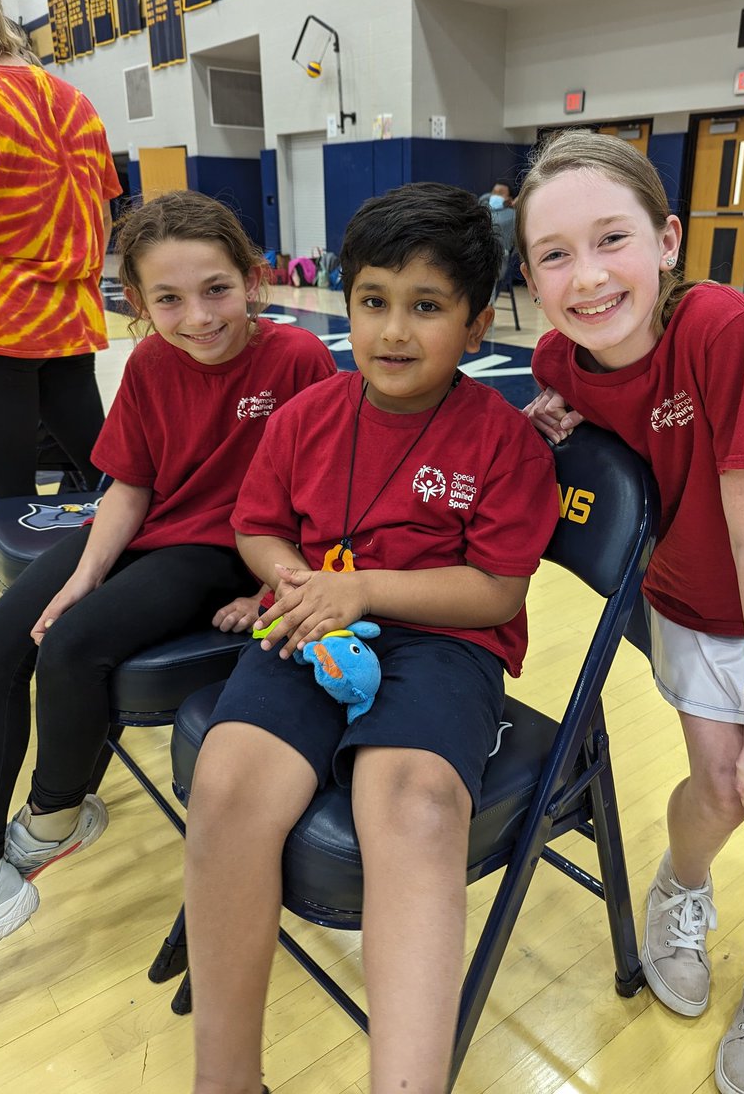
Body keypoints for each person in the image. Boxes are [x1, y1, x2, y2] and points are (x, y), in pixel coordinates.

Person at [183, 182, 559, 1094]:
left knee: (416, 804)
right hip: (315, 624)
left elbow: (496, 588)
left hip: (444, 643)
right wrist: (297, 583)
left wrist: (365, 589)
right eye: (374, 302)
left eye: (426, 307)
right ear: (345, 302)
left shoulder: (504, 443)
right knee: (227, 786)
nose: (393, 331)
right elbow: (257, 529)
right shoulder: (307, 417)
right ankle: (225, 1079)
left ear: (475, 327)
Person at [516, 130, 744, 1094]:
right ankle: (682, 887)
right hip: (687, 602)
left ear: (666, 241)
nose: (586, 277)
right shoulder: (561, 356)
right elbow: (569, 389)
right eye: (554, 254)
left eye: (611, 239)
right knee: (715, 791)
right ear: (531, 274)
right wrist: (546, 411)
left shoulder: (723, 332)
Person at [0, 190, 336, 961]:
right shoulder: (146, 362)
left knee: (69, 646)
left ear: (253, 279)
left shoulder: (296, 358)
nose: (198, 316)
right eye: (169, 299)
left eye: (216, 290)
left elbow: (321, 496)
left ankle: (54, 818)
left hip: (223, 551)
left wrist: (270, 587)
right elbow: (130, 486)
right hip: (145, 529)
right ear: (135, 302)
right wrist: (82, 572)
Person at [0, 0, 121, 498]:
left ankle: (34, 588)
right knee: (106, 479)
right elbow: (103, 220)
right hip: (72, 319)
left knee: (10, 498)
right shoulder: (76, 99)